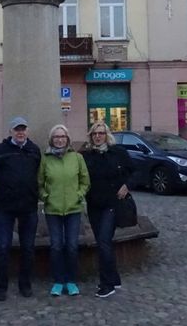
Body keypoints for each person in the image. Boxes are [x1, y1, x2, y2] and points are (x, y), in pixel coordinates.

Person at [0, 116, 42, 301]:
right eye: (17, 129)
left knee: (28, 248)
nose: (20, 132)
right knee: (3, 247)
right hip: (5, 207)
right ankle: (1, 286)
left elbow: (37, 174)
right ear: (10, 131)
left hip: (28, 206)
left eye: (23, 129)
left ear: (27, 131)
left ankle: (25, 285)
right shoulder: (1, 150)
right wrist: (2, 193)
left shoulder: (34, 150)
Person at [37, 124, 89, 297]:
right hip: (53, 210)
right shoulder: (46, 159)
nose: (59, 140)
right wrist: (46, 197)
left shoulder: (77, 158)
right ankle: (58, 281)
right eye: (56, 137)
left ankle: (71, 280)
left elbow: (85, 181)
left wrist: (79, 195)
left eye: (62, 137)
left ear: (67, 139)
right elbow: (39, 183)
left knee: (72, 246)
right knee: (56, 246)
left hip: (73, 209)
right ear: (51, 140)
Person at [81, 121, 131, 299]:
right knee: (104, 242)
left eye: (101, 133)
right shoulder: (86, 155)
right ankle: (114, 279)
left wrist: (126, 185)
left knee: (103, 241)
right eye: (95, 133)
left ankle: (106, 284)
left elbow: (133, 171)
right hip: (94, 204)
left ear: (106, 135)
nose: (98, 136)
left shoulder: (118, 152)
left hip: (112, 203)